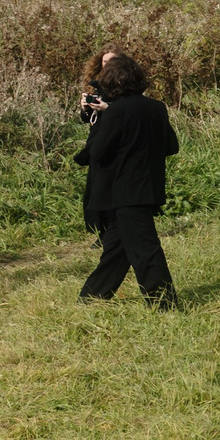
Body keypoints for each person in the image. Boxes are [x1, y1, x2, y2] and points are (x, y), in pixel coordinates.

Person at [76, 52, 181, 308]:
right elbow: (171, 146)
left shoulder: (116, 111)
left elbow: (98, 151)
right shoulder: (157, 108)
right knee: (116, 249)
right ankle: (92, 298)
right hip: (148, 187)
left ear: (111, 81)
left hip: (122, 192)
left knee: (145, 250)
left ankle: (163, 304)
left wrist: (85, 149)